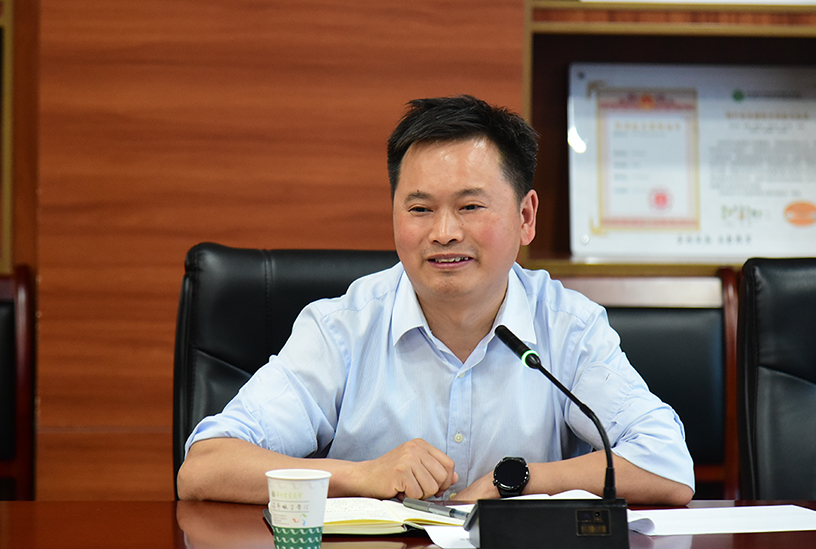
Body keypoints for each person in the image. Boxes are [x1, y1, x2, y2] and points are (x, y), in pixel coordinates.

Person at [177, 95, 695, 506]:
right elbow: (204, 467)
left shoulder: (569, 327)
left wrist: (516, 480)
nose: (444, 232)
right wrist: (362, 475)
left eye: (470, 206)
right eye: (420, 209)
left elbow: (668, 465)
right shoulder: (342, 329)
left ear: (525, 217)